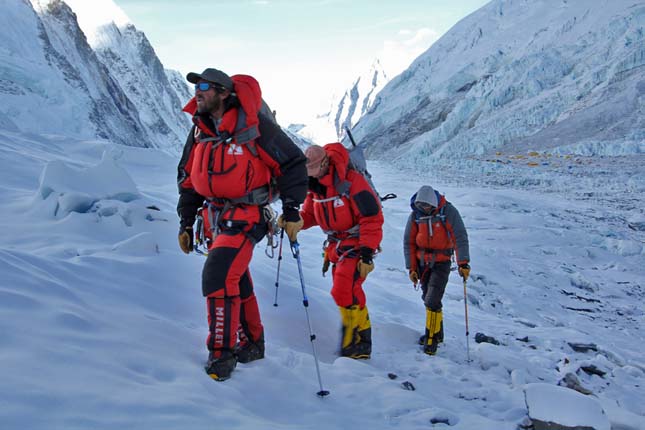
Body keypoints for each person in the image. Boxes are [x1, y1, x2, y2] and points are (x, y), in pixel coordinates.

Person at [176, 68, 307, 380]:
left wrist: (291, 210)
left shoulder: (254, 127)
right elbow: (188, 179)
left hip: (248, 215)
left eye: (206, 86)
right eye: (196, 86)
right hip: (214, 219)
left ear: (224, 93)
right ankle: (253, 342)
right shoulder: (199, 130)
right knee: (236, 277)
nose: (199, 91)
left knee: (218, 275)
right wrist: (186, 220)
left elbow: (293, 163)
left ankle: (222, 353)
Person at [297, 143, 383, 359]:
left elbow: (371, 217)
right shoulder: (315, 188)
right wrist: (295, 221)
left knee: (344, 288)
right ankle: (361, 341)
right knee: (348, 289)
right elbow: (310, 215)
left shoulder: (351, 182)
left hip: (356, 242)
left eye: (314, 171)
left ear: (325, 163)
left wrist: (366, 253)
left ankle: (354, 342)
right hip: (338, 245)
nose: (312, 176)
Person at [403, 185, 470, 355]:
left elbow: (459, 236)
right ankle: (438, 333)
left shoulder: (448, 212)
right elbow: (408, 242)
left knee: (432, 299)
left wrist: (463, 263)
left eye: (426, 206)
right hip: (422, 264)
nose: (424, 208)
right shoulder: (416, 216)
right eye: (421, 206)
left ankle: (431, 337)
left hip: (442, 262)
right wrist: (411, 267)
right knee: (427, 296)